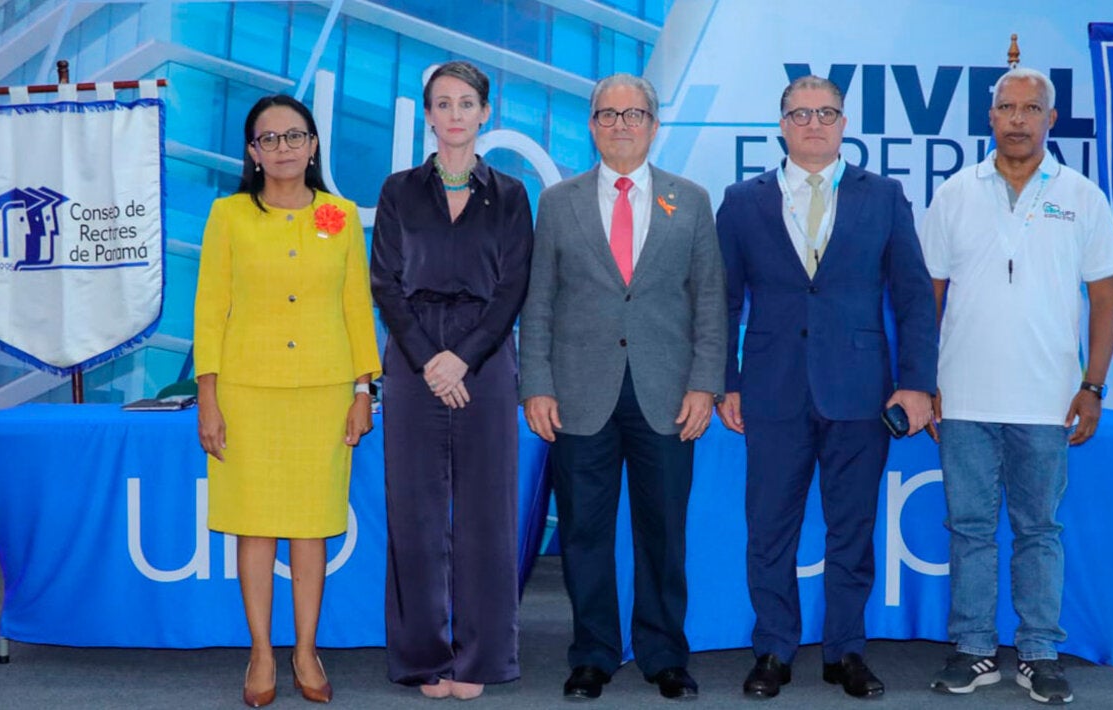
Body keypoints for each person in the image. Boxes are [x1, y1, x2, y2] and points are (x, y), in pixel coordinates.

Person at [715, 75, 937, 700]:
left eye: (827, 113)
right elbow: (723, 301)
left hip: (863, 392)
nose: (814, 122)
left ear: (844, 124)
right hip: (771, 388)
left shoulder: (885, 196)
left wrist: (918, 384)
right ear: (781, 124)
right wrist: (724, 381)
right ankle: (773, 651)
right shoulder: (741, 200)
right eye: (801, 113)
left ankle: (847, 652)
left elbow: (915, 297)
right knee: (770, 528)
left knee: (852, 527)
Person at [920, 67, 1113, 706]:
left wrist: (1093, 385)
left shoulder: (1083, 195)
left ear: (1050, 119)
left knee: (1040, 529)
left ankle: (1039, 652)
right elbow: (925, 296)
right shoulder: (954, 193)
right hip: (963, 397)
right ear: (989, 118)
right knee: (970, 528)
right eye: (1006, 107)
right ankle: (975, 648)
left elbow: (1104, 298)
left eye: (1030, 108)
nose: (1017, 118)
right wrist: (925, 385)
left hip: (1047, 398)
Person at [518, 72, 726, 702]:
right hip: (578, 393)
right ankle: (593, 654)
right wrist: (536, 385)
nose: (620, 125)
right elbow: (540, 304)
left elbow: (710, 302)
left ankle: (664, 654)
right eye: (607, 115)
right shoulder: (559, 203)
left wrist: (705, 384)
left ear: (654, 125)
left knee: (664, 532)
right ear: (591, 125)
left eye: (633, 114)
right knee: (584, 532)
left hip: (668, 394)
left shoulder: (690, 200)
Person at [194, 94, 380, 708]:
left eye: (293, 137)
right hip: (248, 393)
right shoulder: (228, 216)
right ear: (251, 151)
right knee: (255, 527)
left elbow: (357, 308)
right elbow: (211, 311)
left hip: (325, 395)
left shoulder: (341, 215)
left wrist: (362, 389)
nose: (282, 149)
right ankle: (260, 652)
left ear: (313, 145)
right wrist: (209, 398)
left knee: (309, 529)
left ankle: (304, 649)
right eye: (267, 139)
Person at [370, 60, 534, 702]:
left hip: (487, 361)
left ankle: (482, 659)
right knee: (414, 511)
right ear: (429, 114)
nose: (456, 114)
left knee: (489, 514)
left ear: (485, 112)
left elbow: (514, 285)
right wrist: (427, 358)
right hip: (413, 362)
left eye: (467, 102)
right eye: (443, 103)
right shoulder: (398, 190)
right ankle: (422, 658)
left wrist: (462, 357)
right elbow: (384, 281)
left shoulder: (513, 193)